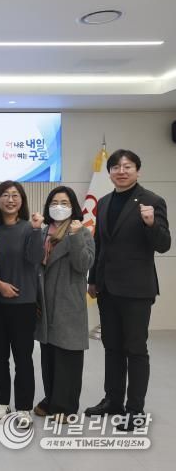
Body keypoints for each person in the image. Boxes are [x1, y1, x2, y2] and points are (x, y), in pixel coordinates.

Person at [85, 149, 171, 431]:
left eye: (128, 166)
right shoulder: (104, 202)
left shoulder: (152, 201)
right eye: (116, 167)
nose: (121, 171)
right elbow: (99, 245)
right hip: (107, 288)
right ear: (109, 172)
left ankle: (135, 409)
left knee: (135, 349)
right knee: (112, 347)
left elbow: (164, 244)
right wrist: (93, 279)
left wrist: (151, 223)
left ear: (137, 170)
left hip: (136, 290)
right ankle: (113, 401)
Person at [34, 186, 94, 421]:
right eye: (54, 202)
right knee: (49, 356)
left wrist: (76, 236)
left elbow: (83, 265)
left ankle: (66, 407)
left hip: (68, 302)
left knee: (67, 355)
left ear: (73, 207)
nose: (59, 207)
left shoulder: (82, 232)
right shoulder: (42, 232)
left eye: (65, 203)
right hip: (45, 302)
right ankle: (51, 399)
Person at [0, 181, 43, 427]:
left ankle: (24, 407)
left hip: (24, 303)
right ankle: (2, 403)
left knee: (23, 358)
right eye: (5, 195)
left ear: (22, 200)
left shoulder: (30, 228)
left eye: (15, 195)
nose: (10, 200)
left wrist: (37, 230)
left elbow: (35, 258)